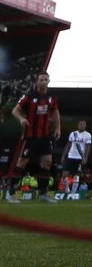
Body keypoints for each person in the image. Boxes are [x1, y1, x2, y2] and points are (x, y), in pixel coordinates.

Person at [7, 72, 60, 204]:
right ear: (37, 82)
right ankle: (11, 193)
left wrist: (58, 128)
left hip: (45, 136)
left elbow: (55, 111)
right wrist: (22, 119)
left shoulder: (51, 97)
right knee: (22, 162)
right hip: (31, 136)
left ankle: (43, 194)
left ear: (49, 81)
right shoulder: (30, 96)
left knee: (47, 162)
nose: (43, 82)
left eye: (46, 80)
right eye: (41, 80)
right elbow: (15, 110)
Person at [59, 119, 92, 197]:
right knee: (64, 174)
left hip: (79, 157)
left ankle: (73, 193)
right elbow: (68, 145)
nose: (82, 125)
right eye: (80, 124)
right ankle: (67, 190)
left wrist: (85, 158)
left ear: (85, 125)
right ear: (78, 125)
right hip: (71, 156)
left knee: (76, 175)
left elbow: (88, 147)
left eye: (83, 124)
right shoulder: (73, 134)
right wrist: (64, 155)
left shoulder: (87, 135)